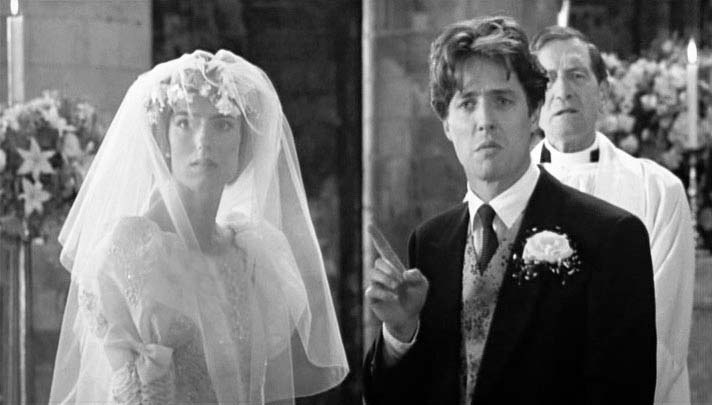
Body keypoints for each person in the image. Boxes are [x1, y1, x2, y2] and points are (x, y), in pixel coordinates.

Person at [363, 16, 656, 404]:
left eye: (502, 101)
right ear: (446, 123)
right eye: (467, 103)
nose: (485, 121)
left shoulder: (610, 237)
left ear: (533, 113)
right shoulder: (430, 243)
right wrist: (400, 334)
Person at [49, 50, 348, 404]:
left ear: (243, 144)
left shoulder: (254, 255)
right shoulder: (130, 252)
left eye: (222, 124)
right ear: (164, 140)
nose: (203, 141)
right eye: (184, 122)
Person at [530, 25, 695, 404]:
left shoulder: (659, 190)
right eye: (547, 79)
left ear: (602, 92)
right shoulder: (506, 193)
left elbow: (661, 332)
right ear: (532, 101)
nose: (562, 90)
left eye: (576, 75)